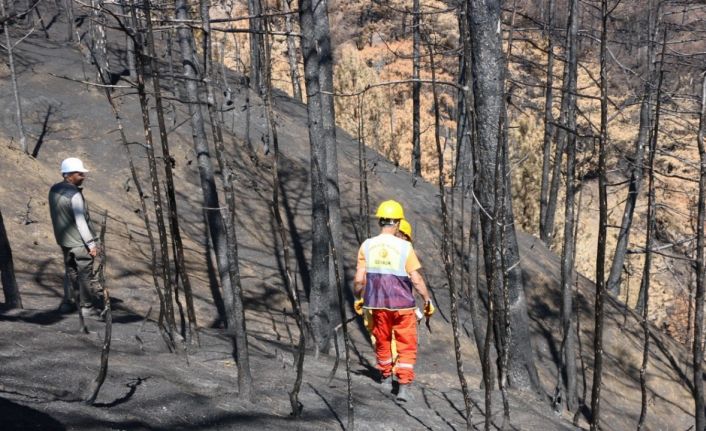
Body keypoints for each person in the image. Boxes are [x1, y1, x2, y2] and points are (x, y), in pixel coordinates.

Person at [354, 200, 435, 402]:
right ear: (398, 222)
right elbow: (416, 279)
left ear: (380, 220)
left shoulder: (367, 245)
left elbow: (358, 279)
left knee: (382, 340)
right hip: (403, 306)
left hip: (376, 303)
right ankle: (404, 388)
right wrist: (426, 300)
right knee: (406, 344)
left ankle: (385, 377)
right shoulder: (405, 247)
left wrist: (359, 297)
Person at [49, 158, 99, 318]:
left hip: (64, 240)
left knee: (69, 271)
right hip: (80, 243)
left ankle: (67, 303)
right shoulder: (75, 195)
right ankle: (86, 307)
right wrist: (91, 244)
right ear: (69, 174)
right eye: (80, 173)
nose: (83, 176)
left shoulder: (53, 190)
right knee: (85, 273)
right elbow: (81, 222)